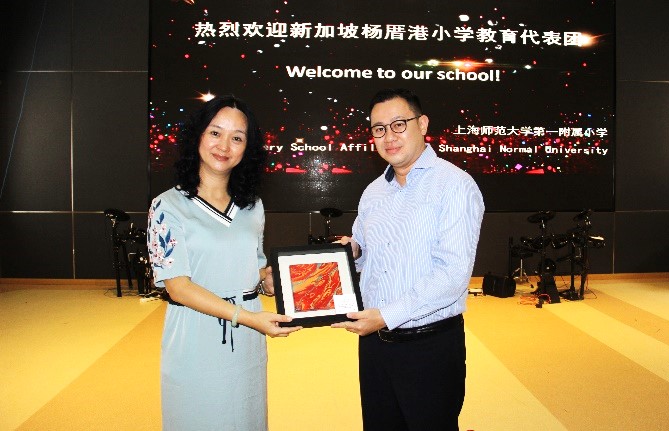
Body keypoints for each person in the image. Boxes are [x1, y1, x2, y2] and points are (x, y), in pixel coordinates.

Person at [332, 88, 485, 431]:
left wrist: (386, 316)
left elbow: (453, 275)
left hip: (428, 347)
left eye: (399, 124)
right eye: (379, 129)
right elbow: (366, 253)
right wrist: (352, 251)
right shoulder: (373, 192)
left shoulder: (455, 186)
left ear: (423, 124)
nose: (389, 137)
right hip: (374, 345)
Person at [147, 94, 301, 430]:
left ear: (248, 148)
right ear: (198, 136)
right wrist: (245, 316)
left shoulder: (252, 206)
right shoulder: (167, 206)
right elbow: (178, 287)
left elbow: (254, 270)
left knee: (244, 418)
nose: (224, 145)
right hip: (197, 336)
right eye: (215, 133)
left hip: (247, 339)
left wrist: (269, 280)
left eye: (237, 137)